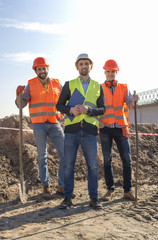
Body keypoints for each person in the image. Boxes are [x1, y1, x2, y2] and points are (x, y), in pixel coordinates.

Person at [56, 53, 105, 209]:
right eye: (81, 64)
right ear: (77, 67)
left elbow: (102, 109)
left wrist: (88, 110)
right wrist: (70, 110)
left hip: (90, 131)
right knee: (69, 166)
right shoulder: (69, 84)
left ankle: (93, 198)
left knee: (92, 166)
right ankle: (68, 198)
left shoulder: (98, 86)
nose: (84, 66)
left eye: (86, 64)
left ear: (91, 66)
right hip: (71, 131)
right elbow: (59, 105)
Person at [15, 57, 65, 199]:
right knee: (42, 156)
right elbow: (21, 104)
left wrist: (61, 113)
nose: (42, 71)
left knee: (64, 154)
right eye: (39, 69)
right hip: (38, 124)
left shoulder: (57, 83)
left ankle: (61, 186)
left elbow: (64, 101)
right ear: (36, 70)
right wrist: (18, 94)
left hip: (55, 123)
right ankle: (45, 186)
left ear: (47, 68)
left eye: (44, 68)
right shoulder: (31, 85)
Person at [99, 59, 139, 201]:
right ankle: (110, 190)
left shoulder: (123, 87)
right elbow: (94, 108)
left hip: (121, 128)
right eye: (108, 71)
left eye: (113, 71)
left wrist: (134, 100)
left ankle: (127, 191)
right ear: (105, 72)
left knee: (126, 159)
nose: (110, 74)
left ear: (116, 72)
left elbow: (129, 105)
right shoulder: (99, 88)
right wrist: (98, 122)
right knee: (107, 160)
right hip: (105, 128)